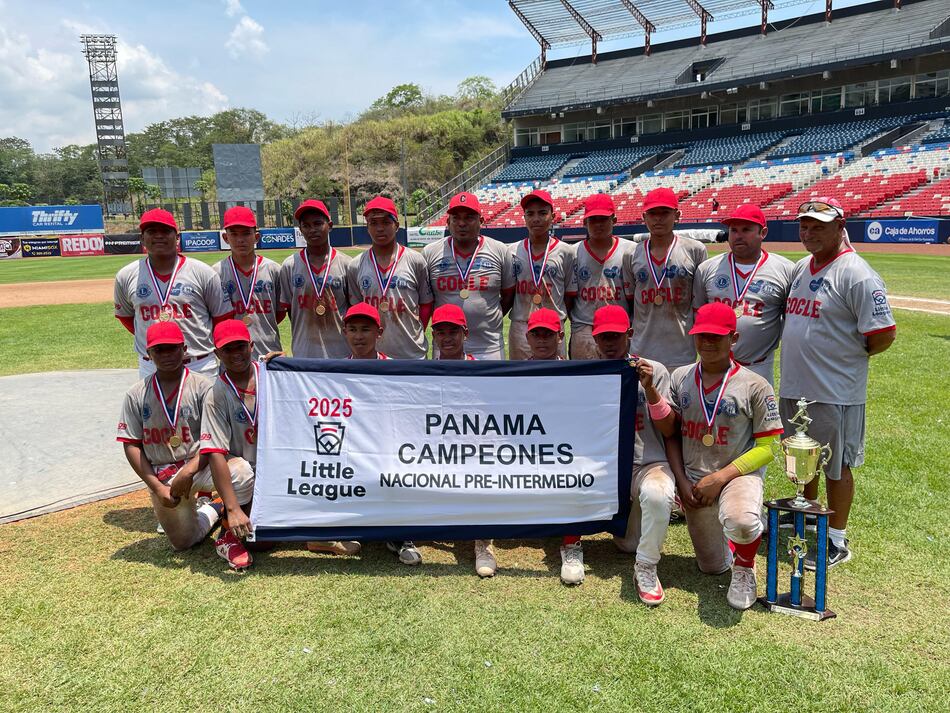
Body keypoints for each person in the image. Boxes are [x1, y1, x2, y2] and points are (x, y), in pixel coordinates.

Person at [779, 197, 896, 568]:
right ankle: (811, 515)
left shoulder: (856, 273)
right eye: (804, 226)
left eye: (819, 226)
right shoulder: (802, 267)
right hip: (796, 386)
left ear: (840, 226)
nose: (809, 233)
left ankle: (837, 539)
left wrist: (845, 359)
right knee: (804, 458)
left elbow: (883, 334)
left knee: (836, 465)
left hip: (834, 390)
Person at [668, 302, 784, 610]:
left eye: (716, 337)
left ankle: (745, 567)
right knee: (712, 566)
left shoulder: (755, 385)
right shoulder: (680, 377)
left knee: (743, 523)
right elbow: (670, 435)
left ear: (733, 338)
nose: (707, 343)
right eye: (701, 335)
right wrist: (681, 482)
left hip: (736, 475)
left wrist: (720, 478)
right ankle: (730, 547)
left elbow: (765, 449)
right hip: (694, 482)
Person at [115, 321, 255, 570]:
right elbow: (131, 445)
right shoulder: (136, 394)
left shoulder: (204, 387)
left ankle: (227, 533)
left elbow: (214, 440)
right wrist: (157, 487)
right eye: (159, 350)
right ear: (148, 354)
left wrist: (189, 470)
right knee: (183, 543)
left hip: (201, 465)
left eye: (172, 348)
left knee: (242, 471)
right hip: (165, 477)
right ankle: (216, 507)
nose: (167, 355)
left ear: (185, 349)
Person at [591, 305, 678, 606]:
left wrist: (650, 389)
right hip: (604, 469)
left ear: (629, 334)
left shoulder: (654, 370)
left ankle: (646, 566)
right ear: (594, 339)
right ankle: (569, 544)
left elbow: (669, 429)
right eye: (604, 337)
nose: (610, 342)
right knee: (625, 543)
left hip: (647, 464)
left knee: (657, 494)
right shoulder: (586, 373)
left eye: (616, 335)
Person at [341, 302, 422, 565]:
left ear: (380, 332)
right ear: (344, 332)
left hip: (387, 448)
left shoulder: (396, 370)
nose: (359, 336)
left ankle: (399, 535)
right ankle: (340, 527)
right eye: (352, 329)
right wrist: (275, 365)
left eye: (366, 329)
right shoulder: (331, 370)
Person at [114, 208, 233, 378]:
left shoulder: (202, 272)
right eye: (151, 231)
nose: (159, 236)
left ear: (177, 237)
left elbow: (222, 317)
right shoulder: (126, 275)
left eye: (165, 231)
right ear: (142, 238)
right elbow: (127, 317)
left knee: (206, 406)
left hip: (198, 363)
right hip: (152, 364)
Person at [693, 204, 794, 384]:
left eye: (746, 229)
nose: (738, 236)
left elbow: (790, 320)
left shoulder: (785, 269)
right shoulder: (707, 269)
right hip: (714, 366)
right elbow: (698, 314)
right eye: (734, 230)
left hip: (759, 366)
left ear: (763, 233)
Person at [428, 304, 494, 576]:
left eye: (453, 331)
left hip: (474, 448)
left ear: (465, 333)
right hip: (436, 449)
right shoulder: (423, 372)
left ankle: (484, 541)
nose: (446, 338)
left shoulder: (484, 372)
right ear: (433, 336)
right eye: (440, 332)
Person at [422, 192, 514, 360]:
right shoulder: (430, 253)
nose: (462, 223)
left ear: (481, 221)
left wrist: (487, 316)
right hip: (446, 346)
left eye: (470, 217)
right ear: (448, 222)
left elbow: (509, 294)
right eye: (456, 218)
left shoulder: (500, 250)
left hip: (488, 345)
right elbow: (425, 300)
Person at [625, 187, 708, 371]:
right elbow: (630, 300)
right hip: (642, 348)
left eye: (665, 212)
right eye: (653, 213)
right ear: (644, 217)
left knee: (677, 399)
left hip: (681, 350)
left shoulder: (695, 250)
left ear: (677, 215)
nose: (658, 218)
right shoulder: (632, 253)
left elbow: (700, 302)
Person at [347, 196, 433, 359]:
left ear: (397, 226)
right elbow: (357, 310)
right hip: (374, 355)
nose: (380, 228)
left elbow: (426, 304)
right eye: (373, 223)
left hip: (411, 354)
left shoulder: (415, 260)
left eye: (386, 222)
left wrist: (413, 331)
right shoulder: (355, 265)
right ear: (367, 227)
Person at [279, 199, 352, 358]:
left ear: (330, 225)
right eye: (306, 225)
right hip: (304, 352)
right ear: (301, 229)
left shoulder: (347, 264)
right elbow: (291, 310)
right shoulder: (289, 265)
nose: (312, 229)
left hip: (342, 351)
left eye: (318, 223)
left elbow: (353, 308)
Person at [506, 190, 575, 360]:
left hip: (553, 328)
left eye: (542, 213)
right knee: (521, 379)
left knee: (557, 381)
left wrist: (557, 319)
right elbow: (508, 293)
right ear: (524, 217)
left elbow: (570, 296)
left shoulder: (566, 251)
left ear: (553, 216)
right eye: (530, 214)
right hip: (522, 326)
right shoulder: (512, 251)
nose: (536, 219)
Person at [565, 194, 633, 359]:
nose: (598, 224)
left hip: (619, 329)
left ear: (614, 220)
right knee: (585, 380)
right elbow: (568, 298)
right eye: (593, 219)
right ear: (584, 222)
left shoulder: (630, 251)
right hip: (584, 328)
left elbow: (634, 299)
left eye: (603, 218)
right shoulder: (573, 252)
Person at [214, 206, 283, 360]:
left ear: (256, 237)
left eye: (246, 233)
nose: (240, 240)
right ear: (225, 238)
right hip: (232, 353)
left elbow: (279, 313)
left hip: (270, 352)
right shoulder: (216, 273)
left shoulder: (273, 269)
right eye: (234, 234)